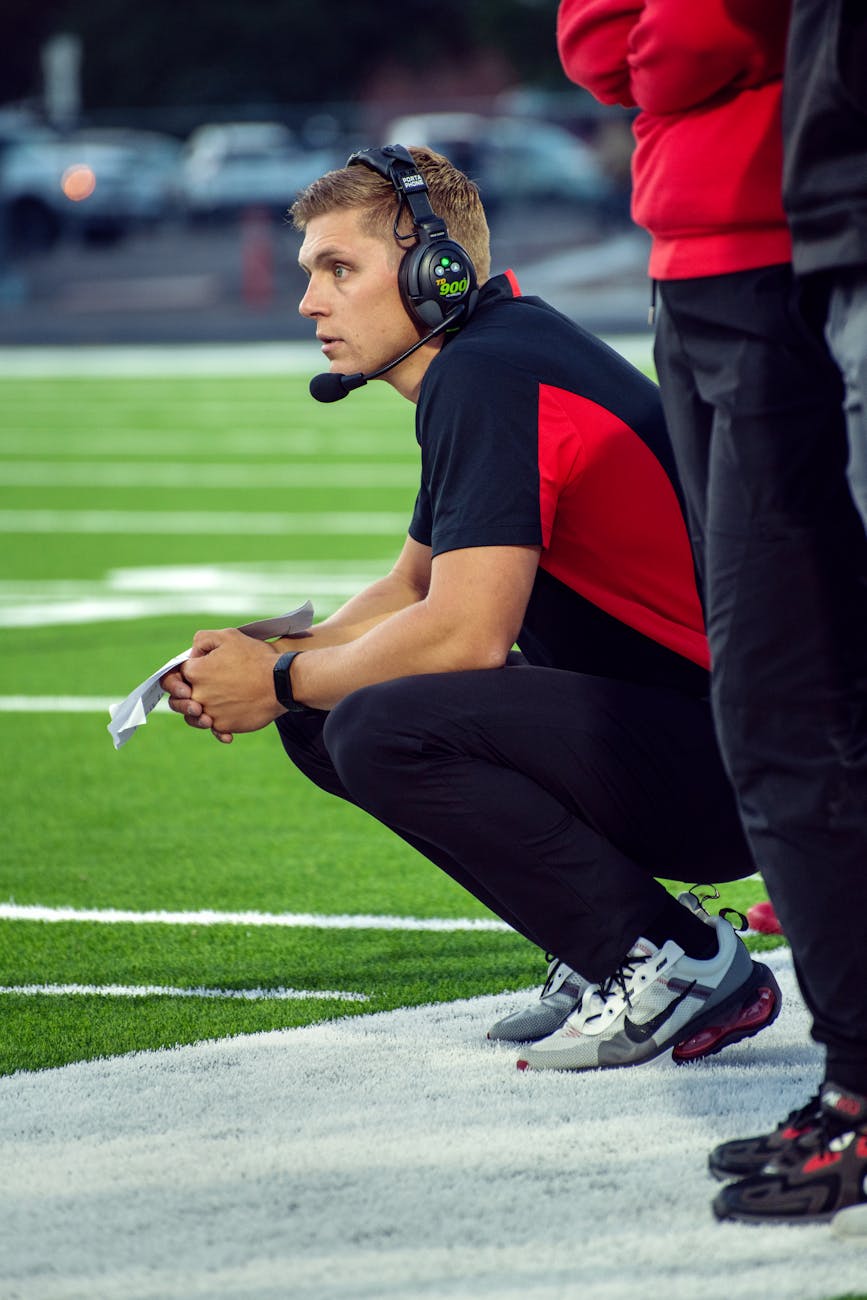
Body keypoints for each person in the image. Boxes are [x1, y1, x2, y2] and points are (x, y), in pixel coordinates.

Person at [162, 143, 782, 1075]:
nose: (310, 302)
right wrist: (271, 656)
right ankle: (606, 940)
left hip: (740, 761)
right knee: (333, 712)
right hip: (709, 737)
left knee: (378, 725)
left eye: (340, 269)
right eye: (309, 273)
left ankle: (668, 959)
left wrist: (282, 680)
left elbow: (463, 634)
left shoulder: (484, 375)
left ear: (432, 269)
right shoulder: (499, 348)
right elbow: (412, 588)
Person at [558, 0, 867, 1222]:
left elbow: (677, 41)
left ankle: (856, 1088)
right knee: (776, 698)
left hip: (786, 247)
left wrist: (672, 53)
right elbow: (598, 44)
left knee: (791, 695)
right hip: (692, 260)